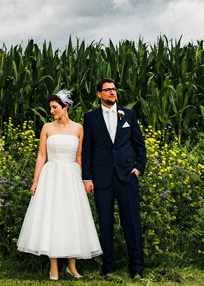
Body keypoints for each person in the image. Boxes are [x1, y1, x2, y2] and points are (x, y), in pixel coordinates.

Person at [17, 89, 102, 280]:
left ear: (65, 107)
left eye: (55, 107)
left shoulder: (79, 128)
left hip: (71, 175)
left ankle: (72, 266)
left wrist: (84, 180)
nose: (52, 111)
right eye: (51, 108)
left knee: (72, 217)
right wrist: (35, 181)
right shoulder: (47, 128)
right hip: (52, 176)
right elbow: (41, 156)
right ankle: (53, 266)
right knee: (52, 217)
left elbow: (80, 157)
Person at [82, 78, 147, 279]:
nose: (112, 92)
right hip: (102, 179)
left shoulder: (128, 114)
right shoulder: (91, 118)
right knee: (106, 222)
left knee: (132, 222)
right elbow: (87, 150)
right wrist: (87, 177)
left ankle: (136, 267)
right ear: (99, 94)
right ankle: (108, 266)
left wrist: (138, 168)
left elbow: (140, 145)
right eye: (107, 90)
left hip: (127, 176)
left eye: (114, 89)